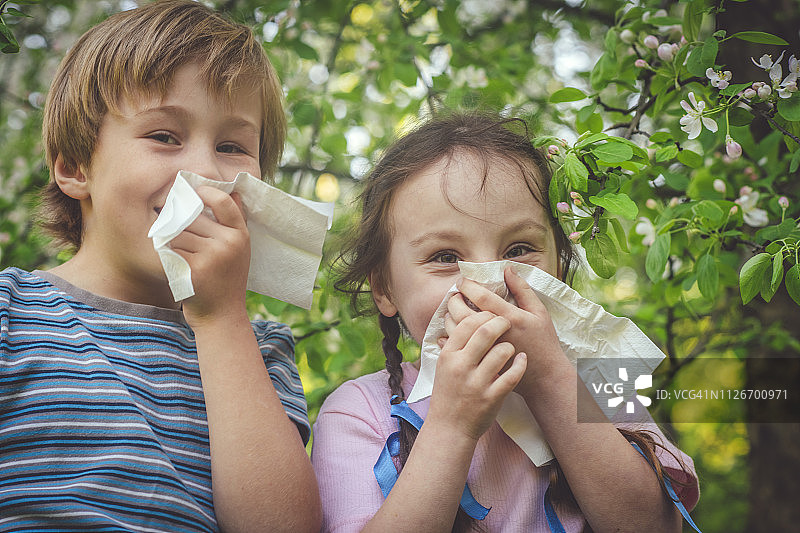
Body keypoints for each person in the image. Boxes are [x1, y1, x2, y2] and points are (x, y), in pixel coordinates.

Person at [0, 1, 321, 531]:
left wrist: (221, 320)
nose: (202, 171)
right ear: (75, 166)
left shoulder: (261, 352)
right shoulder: (11, 312)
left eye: (232, 146)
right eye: (164, 136)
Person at [311, 113, 699, 532]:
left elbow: (655, 526)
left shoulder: (599, 378)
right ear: (385, 288)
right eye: (445, 257)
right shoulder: (359, 412)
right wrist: (451, 426)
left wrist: (550, 378)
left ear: (560, 265)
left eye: (518, 249)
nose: (489, 285)